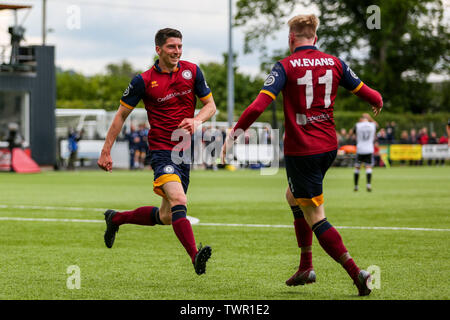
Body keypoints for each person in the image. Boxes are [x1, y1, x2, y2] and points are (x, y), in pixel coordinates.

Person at [221, 14, 383, 296]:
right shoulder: (335, 62)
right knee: (292, 195)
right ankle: (305, 265)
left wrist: (233, 134)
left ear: (291, 38)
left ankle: (357, 274)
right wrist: (376, 100)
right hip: (328, 147)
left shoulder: (285, 66)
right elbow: (369, 93)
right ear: (316, 38)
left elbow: (258, 107)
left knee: (315, 214)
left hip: (302, 150)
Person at [97, 28, 216, 275]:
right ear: (158, 49)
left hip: (184, 152)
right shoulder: (142, 80)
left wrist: (197, 121)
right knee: (179, 201)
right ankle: (195, 257)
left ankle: (116, 218)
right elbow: (121, 115)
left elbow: (210, 106)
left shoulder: (192, 71)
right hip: (162, 150)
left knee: (166, 216)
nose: (177, 51)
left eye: (180, 46)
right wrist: (106, 150)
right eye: (172, 47)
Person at [353, 113, 377, 192]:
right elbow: (377, 125)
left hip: (360, 149)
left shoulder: (358, 125)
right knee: (368, 167)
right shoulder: (372, 125)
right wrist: (370, 118)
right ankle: (368, 185)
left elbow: (352, 132)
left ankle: (356, 186)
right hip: (369, 149)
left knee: (357, 167)